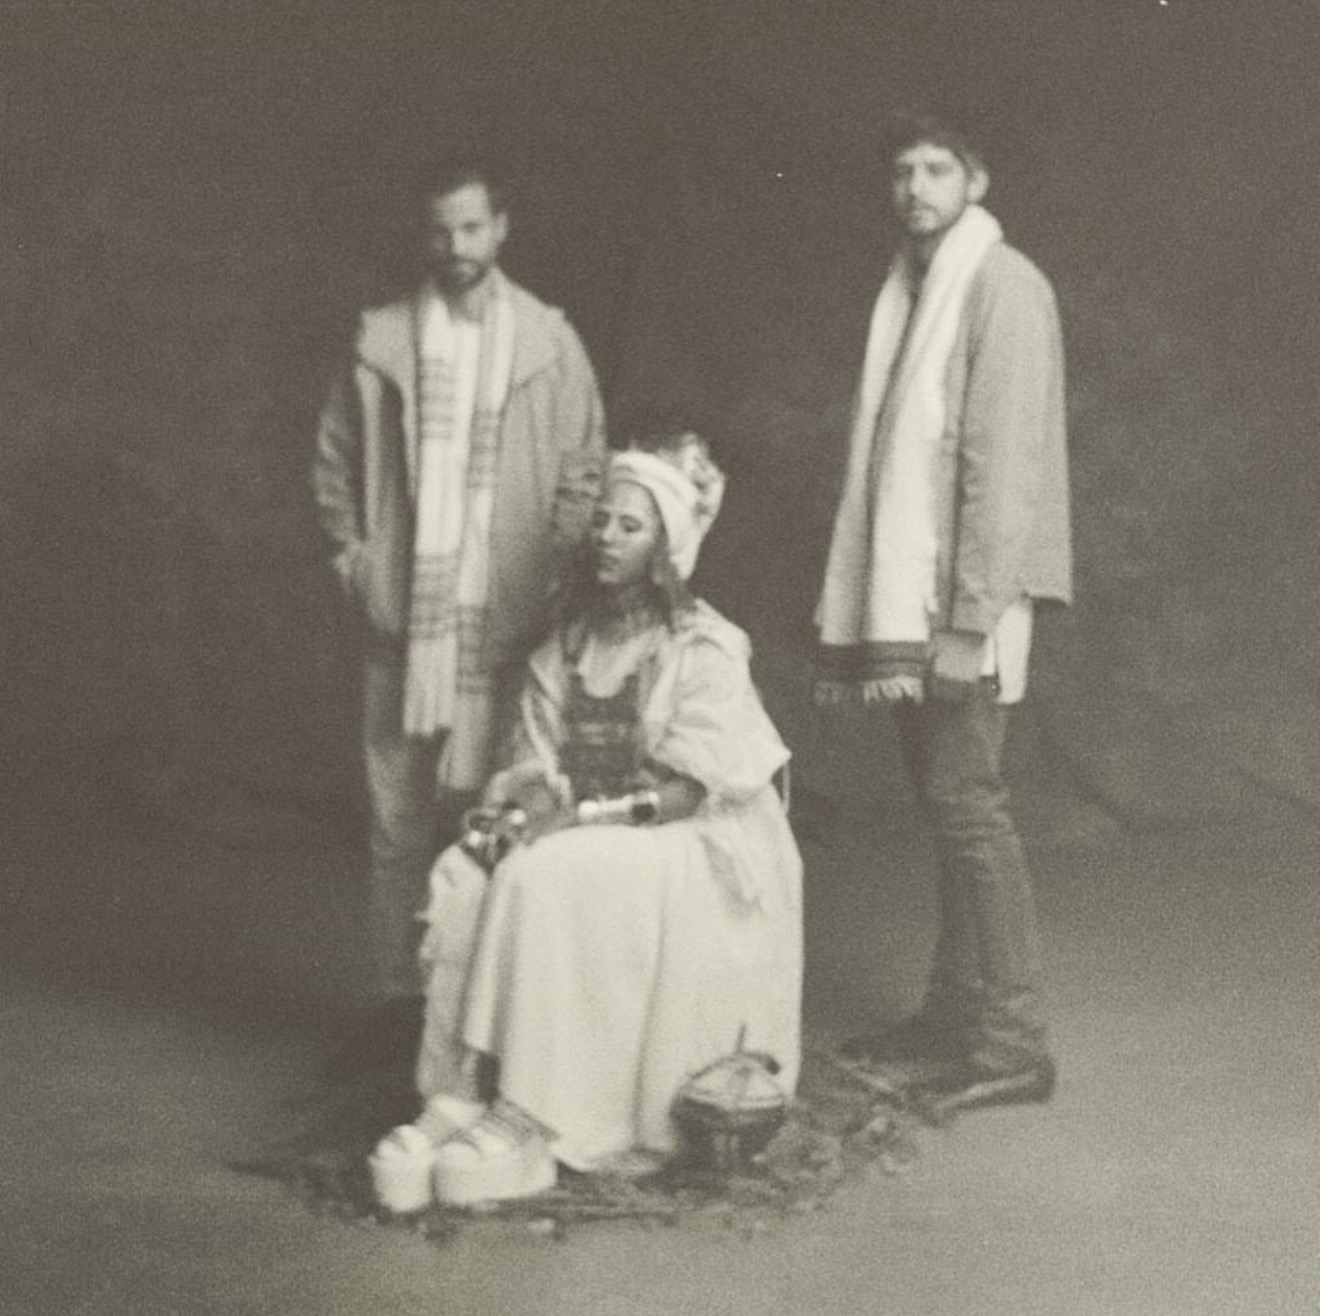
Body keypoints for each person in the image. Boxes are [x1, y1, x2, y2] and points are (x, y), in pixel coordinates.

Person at [392, 429, 802, 1203]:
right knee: (463, 876)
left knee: (545, 875)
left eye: (631, 526)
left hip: (693, 844)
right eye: (604, 521)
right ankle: (461, 1089)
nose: (608, 538)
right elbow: (534, 760)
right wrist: (517, 815)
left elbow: (689, 790)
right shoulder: (567, 646)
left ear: (665, 546)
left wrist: (578, 819)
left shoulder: (704, 647)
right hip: (590, 832)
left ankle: (532, 1112)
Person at [311, 160, 606, 1050]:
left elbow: (584, 467)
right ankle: (399, 1005)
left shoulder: (549, 342)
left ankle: (480, 1018)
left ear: (501, 228)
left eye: (472, 228)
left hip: (509, 622)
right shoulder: (383, 341)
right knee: (399, 820)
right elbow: (335, 464)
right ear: (423, 235)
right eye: (440, 231)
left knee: (500, 818)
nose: (456, 247)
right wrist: (359, 562)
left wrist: (553, 573)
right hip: (408, 621)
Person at [815, 114, 1072, 1117]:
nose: (915, 187)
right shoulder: (911, 290)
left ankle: (1014, 1043)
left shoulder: (1002, 283)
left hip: (969, 600)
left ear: (977, 178)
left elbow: (999, 467)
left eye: (936, 168)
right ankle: (953, 1016)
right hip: (920, 595)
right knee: (948, 806)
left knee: (969, 806)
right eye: (901, 170)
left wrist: (969, 619)